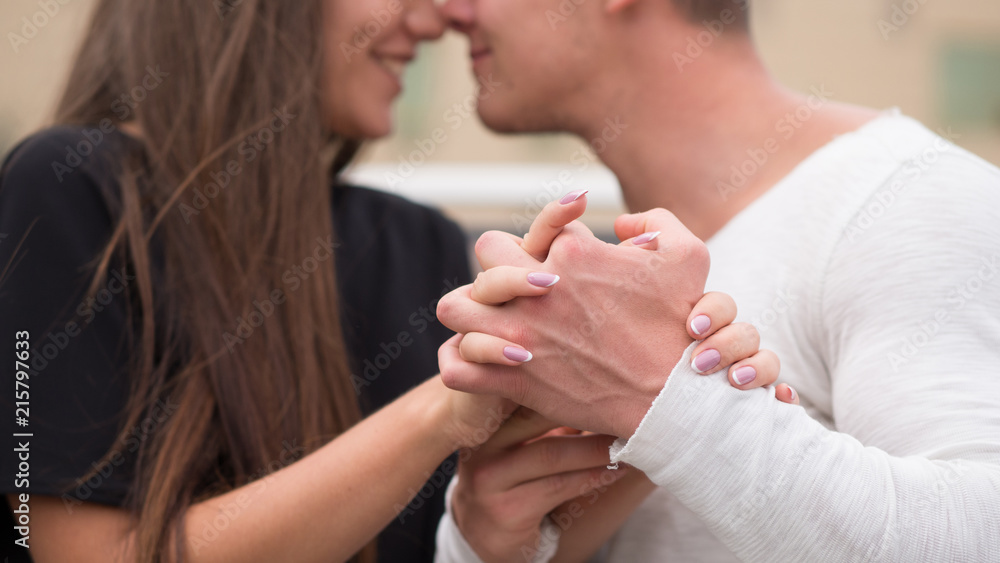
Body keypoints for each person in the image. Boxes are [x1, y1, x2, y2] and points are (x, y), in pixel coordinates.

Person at [0, 1, 780, 562]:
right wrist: (444, 407)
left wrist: (658, 411)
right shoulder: (67, 191)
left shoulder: (416, 240)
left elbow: (481, 540)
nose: (437, 17)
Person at [434, 0, 1000, 561]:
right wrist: (482, 540)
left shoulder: (913, 200)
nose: (450, 10)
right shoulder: (603, 277)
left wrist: (660, 395)